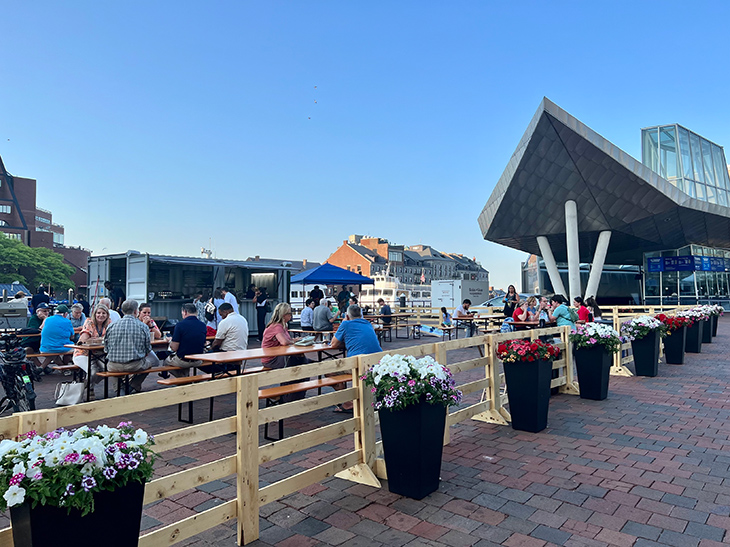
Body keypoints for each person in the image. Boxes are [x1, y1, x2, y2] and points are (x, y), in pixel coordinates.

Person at [329, 304, 382, 412]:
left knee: (329, 371)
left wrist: (344, 322)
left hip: (359, 364)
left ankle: (348, 403)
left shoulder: (346, 324)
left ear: (347, 316)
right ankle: (352, 400)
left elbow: (333, 344)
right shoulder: (367, 323)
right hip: (377, 362)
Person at [104, 299, 157, 393]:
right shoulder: (143, 326)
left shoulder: (111, 326)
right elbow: (148, 349)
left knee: (115, 369)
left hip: (113, 365)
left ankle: (119, 389)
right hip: (134, 365)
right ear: (136, 311)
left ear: (122, 310)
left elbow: (106, 348)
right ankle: (132, 385)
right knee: (149, 363)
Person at [261, 303, 310, 402]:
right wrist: (294, 341)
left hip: (280, 356)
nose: (291, 315)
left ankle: (294, 395)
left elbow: (286, 341)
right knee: (301, 364)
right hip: (272, 358)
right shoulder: (277, 326)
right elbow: (284, 342)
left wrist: (293, 340)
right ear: (284, 315)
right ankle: (289, 396)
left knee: (302, 363)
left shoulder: (283, 326)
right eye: (289, 313)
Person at [73, 304, 112, 389]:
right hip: (83, 353)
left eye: (103, 313)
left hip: (98, 354)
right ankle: (88, 389)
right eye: (98, 313)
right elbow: (85, 335)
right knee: (93, 371)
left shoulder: (109, 323)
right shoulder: (89, 322)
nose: (101, 315)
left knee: (107, 369)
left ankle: (86, 385)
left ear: (107, 315)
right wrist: (82, 340)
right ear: (94, 314)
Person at [165, 303, 207, 377]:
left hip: (183, 360)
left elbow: (174, 348)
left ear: (185, 312)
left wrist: (170, 341)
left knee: (166, 362)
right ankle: (184, 377)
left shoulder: (180, 325)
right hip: (198, 360)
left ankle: (182, 378)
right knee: (182, 360)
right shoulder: (203, 325)